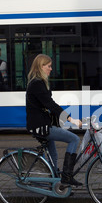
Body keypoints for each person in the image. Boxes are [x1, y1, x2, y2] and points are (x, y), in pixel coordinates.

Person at [26, 54, 83, 186]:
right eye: (49, 66)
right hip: (41, 126)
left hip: (41, 124)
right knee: (74, 139)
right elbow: (51, 105)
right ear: (41, 66)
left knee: (53, 156)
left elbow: (49, 105)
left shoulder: (39, 82)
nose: (51, 69)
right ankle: (66, 177)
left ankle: (54, 183)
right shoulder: (37, 84)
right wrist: (71, 119)